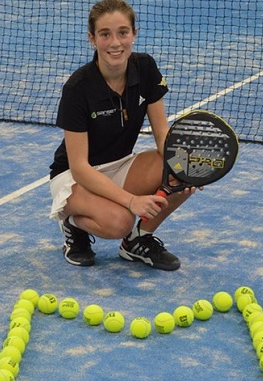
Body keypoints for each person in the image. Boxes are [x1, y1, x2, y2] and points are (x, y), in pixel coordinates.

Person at [49, 0, 201, 271]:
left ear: (134, 34)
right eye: (105, 34)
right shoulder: (78, 88)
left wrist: (185, 168)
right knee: (119, 222)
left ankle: (137, 242)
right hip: (74, 176)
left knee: (180, 167)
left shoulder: (145, 68)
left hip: (120, 164)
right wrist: (131, 202)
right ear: (92, 38)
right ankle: (73, 225)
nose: (115, 42)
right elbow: (80, 168)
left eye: (122, 32)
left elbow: (162, 135)